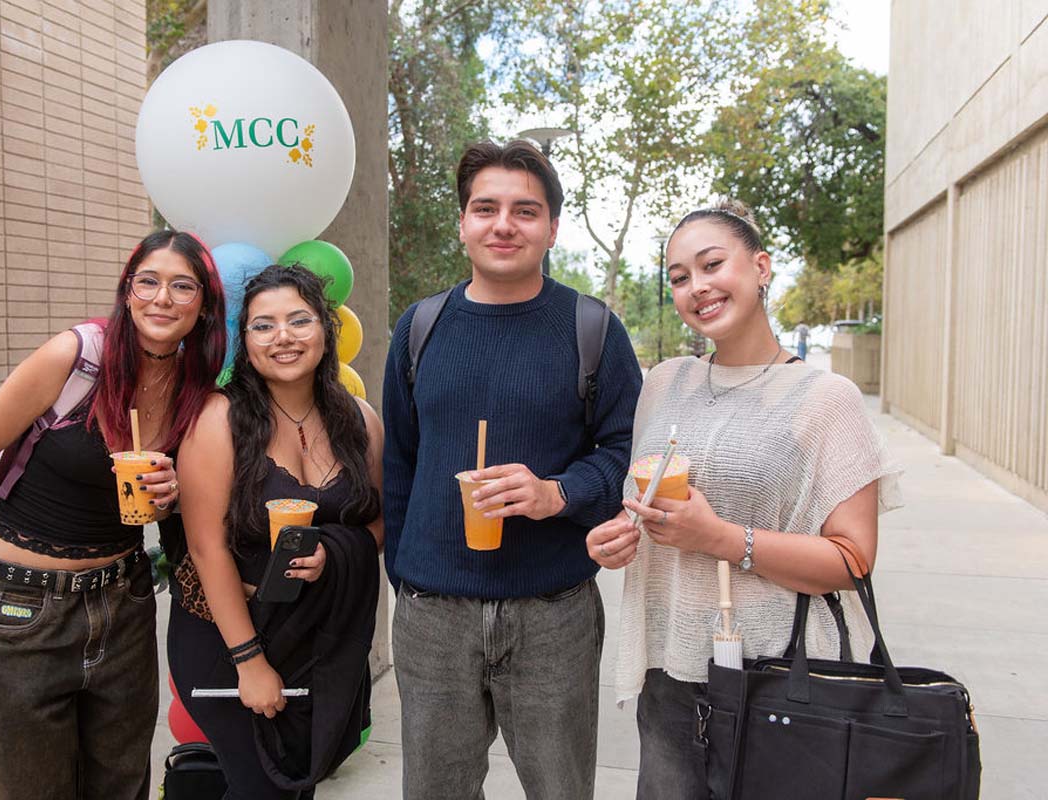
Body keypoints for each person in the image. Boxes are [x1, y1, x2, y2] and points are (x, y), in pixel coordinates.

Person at [585, 200, 902, 800]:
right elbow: (647, 502)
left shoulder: (826, 399)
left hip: (783, 678)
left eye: (711, 265)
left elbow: (853, 559)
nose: (696, 287)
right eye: (679, 277)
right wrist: (619, 534)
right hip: (671, 674)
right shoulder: (663, 384)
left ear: (760, 266)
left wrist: (721, 539)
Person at [382, 139, 643, 800]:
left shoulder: (592, 329)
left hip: (553, 614)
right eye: (486, 208)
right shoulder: (419, 330)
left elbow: (625, 455)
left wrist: (558, 492)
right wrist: (411, 583)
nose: (504, 224)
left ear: (552, 228)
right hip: (434, 616)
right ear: (463, 223)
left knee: (560, 789)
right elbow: (400, 470)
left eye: (525, 211)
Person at [0, 230, 227, 799]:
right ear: (127, 291)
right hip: (19, 604)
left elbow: (187, 503)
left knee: (121, 784)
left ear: (204, 306)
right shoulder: (76, 357)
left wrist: (171, 492)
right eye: (148, 282)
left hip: (122, 601)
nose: (162, 299)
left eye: (182, 286)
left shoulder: (196, 388)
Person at [168, 264, 384, 800]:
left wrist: (334, 555)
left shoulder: (360, 420)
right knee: (262, 788)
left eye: (299, 320)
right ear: (245, 341)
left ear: (327, 330)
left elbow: (376, 521)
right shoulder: (218, 419)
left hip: (318, 638)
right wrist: (250, 662)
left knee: (295, 789)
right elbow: (204, 546)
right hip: (226, 636)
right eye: (263, 325)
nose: (283, 336)